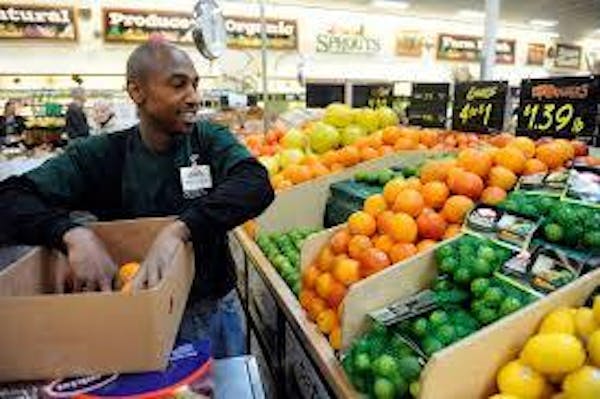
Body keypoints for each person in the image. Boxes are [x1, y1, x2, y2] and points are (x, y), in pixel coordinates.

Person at [0, 40, 275, 358]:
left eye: (195, 85)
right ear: (136, 92)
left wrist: (179, 229)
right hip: (130, 318)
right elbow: (10, 198)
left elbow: (256, 183)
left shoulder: (208, 139)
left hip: (211, 312)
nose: (194, 98)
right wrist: (70, 234)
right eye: (178, 85)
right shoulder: (102, 155)